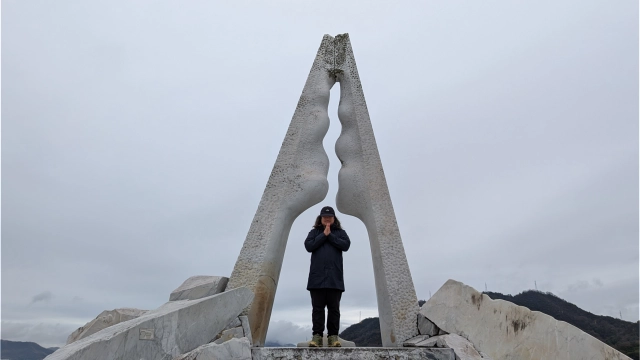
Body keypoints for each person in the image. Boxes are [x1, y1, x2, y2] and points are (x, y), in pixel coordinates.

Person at [304, 205, 351, 347]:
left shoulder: (341, 232)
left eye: (330, 217)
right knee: (317, 309)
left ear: (334, 218)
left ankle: (333, 338)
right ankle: (317, 337)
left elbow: (346, 245)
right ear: (320, 218)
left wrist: (330, 235)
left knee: (334, 309)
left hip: (334, 279)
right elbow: (308, 246)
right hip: (316, 279)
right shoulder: (314, 233)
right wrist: (323, 235)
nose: (327, 218)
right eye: (325, 217)